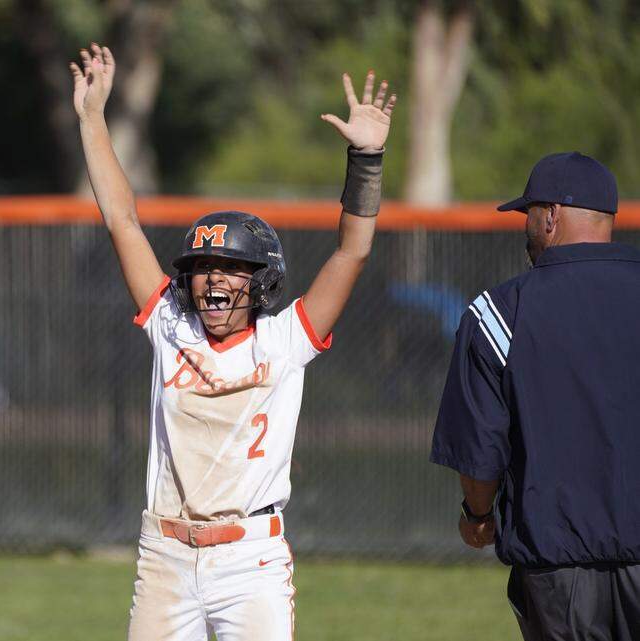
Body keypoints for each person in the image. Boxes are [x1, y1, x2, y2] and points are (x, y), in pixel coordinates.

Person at [70, 43, 396, 640]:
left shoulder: (285, 338)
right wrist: (92, 117)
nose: (213, 278)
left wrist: (366, 159)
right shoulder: (171, 325)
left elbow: (353, 251)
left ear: (262, 279)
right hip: (165, 554)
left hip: (250, 560)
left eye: (230, 267)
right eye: (202, 266)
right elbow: (122, 219)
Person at [430, 152, 640, 640]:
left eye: (528, 213)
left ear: (551, 216)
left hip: (558, 567)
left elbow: (481, 451)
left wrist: (477, 516)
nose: (524, 227)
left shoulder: (501, 312)